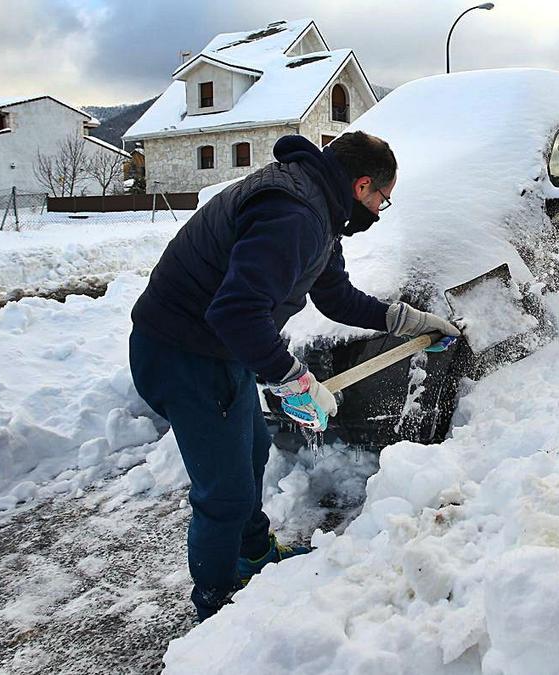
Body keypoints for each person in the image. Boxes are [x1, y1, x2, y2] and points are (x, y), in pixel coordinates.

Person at [128, 132, 459, 621]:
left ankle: (253, 555)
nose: (379, 209)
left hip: (217, 347)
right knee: (223, 489)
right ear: (362, 184)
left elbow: (335, 296)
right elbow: (237, 313)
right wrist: (295, 378)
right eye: (381, 200)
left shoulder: (319, 209)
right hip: (183, 353)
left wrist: (406, 320)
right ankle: (218, 605)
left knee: (252, 451)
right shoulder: (295, 215)